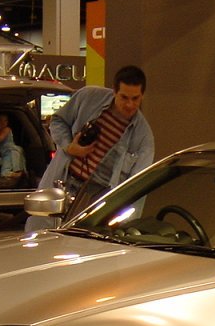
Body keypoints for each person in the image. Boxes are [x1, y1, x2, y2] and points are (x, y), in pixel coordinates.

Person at [27, 65, 155, 230]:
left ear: (142, 95)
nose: (129, 105)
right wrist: (68, 147)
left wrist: (126, 226)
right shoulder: (88, 97)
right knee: (41, 232)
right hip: (62, 180)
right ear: (114, 91)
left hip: (95, 197)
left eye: (135, 99)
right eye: (124, 97)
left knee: (79, 241)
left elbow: (137, 186)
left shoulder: (143, 138)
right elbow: (58, 121)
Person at [0, 113, 25, 183]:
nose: (3, 123)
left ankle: (21, 175)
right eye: (0, 120)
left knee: (4, 173)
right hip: (6, 152)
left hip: (10, 152)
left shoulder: (7, 129)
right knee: (7, 171)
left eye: (5, 121)